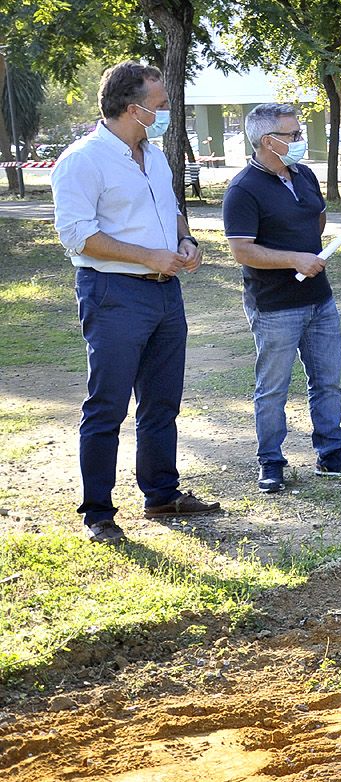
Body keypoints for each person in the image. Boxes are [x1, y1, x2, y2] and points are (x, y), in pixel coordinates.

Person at [49, 61, 222, 543]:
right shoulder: (82, 160)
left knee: (163, 400)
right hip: (114, 294)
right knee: (108, 405)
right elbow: (78, 236)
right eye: (161, 105)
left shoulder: (156, 154)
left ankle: (162, 495)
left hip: (166, 293)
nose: (167, 112)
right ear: (133, 109)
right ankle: (98, 514)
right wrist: (150, 255)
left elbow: (170, 209)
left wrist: (185, 243)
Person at [222, 103, 341, 493]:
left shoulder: (303, 175)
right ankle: (270, 461)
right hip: (274, 306)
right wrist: (294, 259)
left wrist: (308, 251)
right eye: (294, 135)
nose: (302, 141)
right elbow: (242, 251)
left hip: (320, 299)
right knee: (273, 389)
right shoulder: (242, 189)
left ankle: (332, 453)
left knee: (328, 381)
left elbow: (315, 218)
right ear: (268, 141)